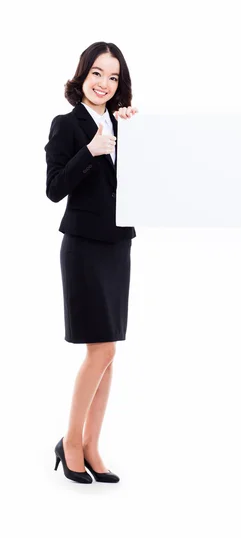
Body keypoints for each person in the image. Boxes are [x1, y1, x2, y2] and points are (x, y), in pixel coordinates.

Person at [45, 42, 137, 484]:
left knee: (109, 352)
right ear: (82, 75)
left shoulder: (126, 124)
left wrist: (132, 139)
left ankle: (93, 445)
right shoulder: (67, 125)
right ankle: (70, 441)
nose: (104, 84)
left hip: (118, 245)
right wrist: (92, 150)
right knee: (97, 349)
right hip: (83, 245)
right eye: (97, 74)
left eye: (113, 77)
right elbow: (54, 188)